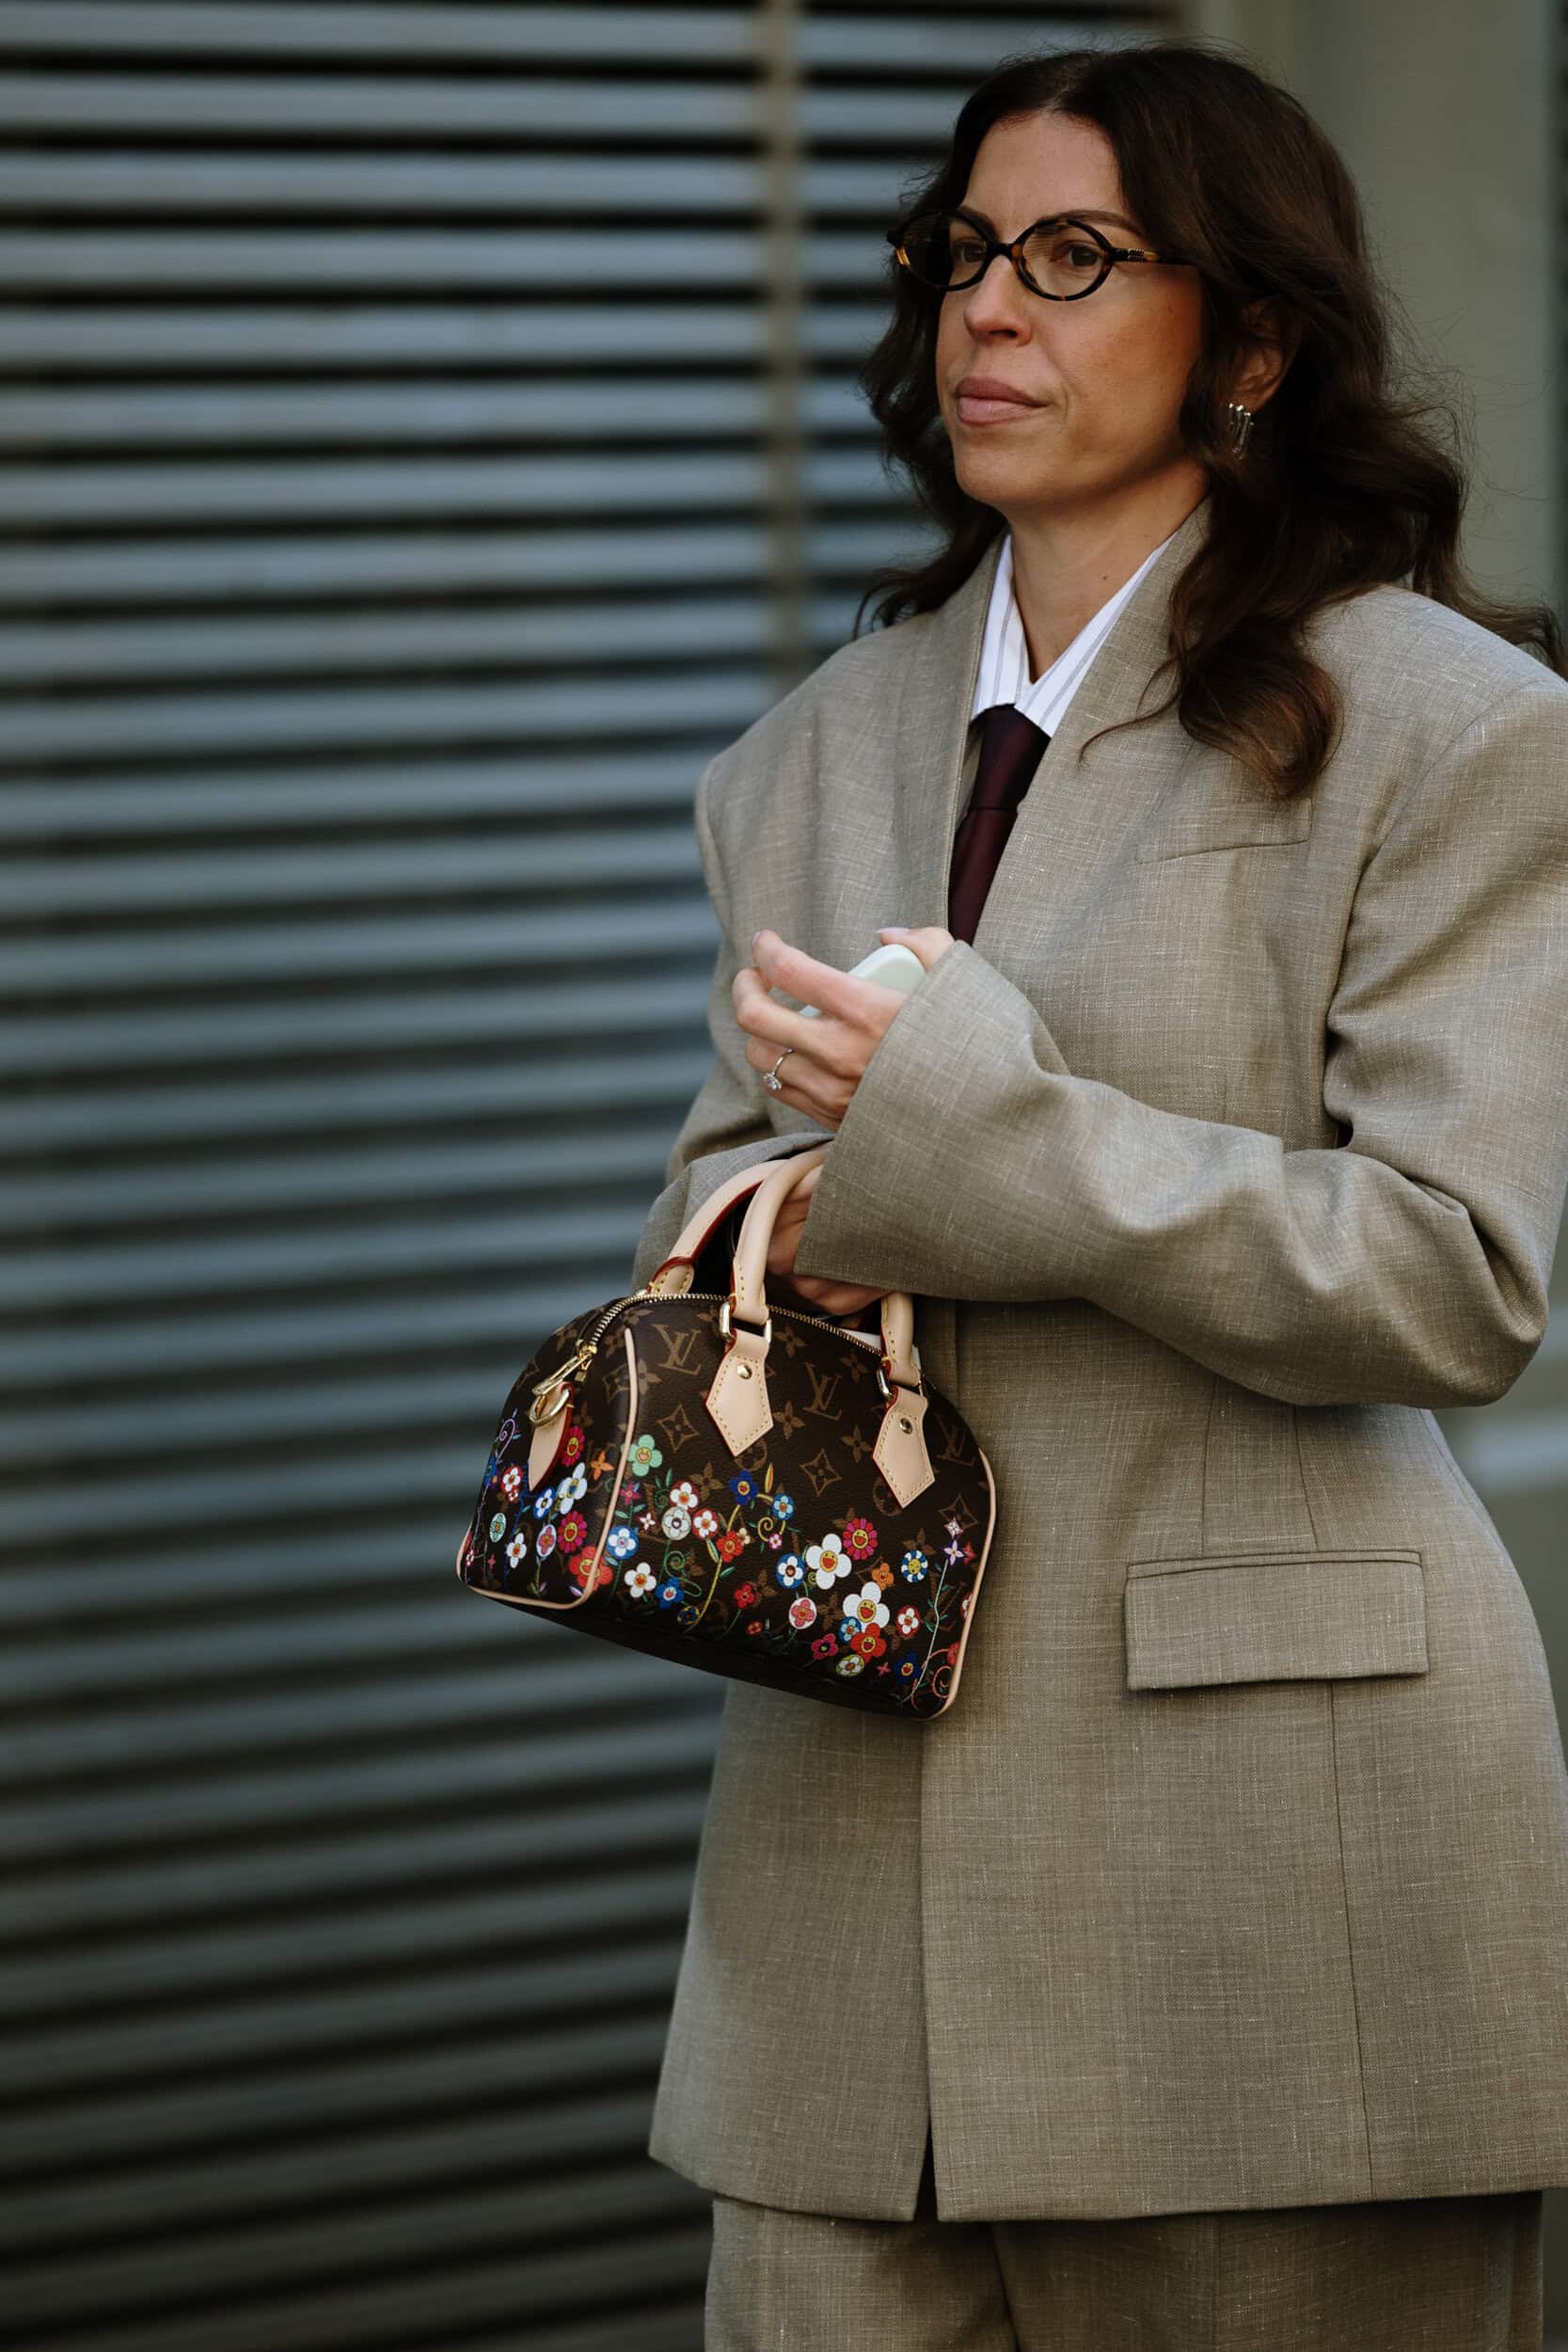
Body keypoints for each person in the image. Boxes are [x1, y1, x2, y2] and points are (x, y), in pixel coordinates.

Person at [628, 36, 1568, 2351]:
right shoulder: (809, 750)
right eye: (966, 255)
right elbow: (723, 1203)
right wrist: (779, 1193)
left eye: (1075, 258)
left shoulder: (1443, 728)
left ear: (1249, 340)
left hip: (1274, 1874)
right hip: (842, 1894)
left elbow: (1455, 1275)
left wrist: (979, 1128)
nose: (991, 312)